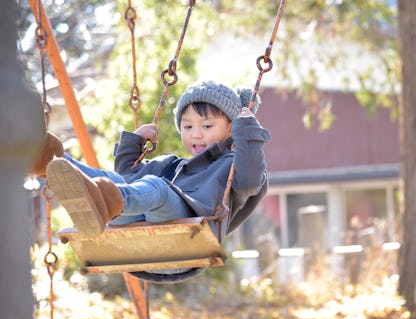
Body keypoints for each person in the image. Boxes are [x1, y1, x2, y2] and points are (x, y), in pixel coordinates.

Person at [32, 80, 271, 281]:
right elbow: (128, 177)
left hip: (187, 241)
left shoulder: (233, 166)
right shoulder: (174, 165)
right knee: (113, 180)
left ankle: (103, 202)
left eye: (207, 126)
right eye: (187, 126)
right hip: (142, 243)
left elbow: (251, 180)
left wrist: (247, 130)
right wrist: (133, 144)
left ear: (231, 128)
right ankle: (49, 159)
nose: (196, 134)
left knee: (156, 188)